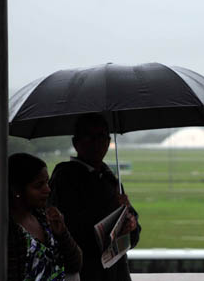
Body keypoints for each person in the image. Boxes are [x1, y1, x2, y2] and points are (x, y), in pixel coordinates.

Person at [49, 113, 141, 281]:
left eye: (101, 136)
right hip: (87, 272)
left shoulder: (110, 178)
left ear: (108, 140)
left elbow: (133, 239)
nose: (97, 143)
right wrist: (113, 211)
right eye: (89, 137)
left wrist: (131, 224)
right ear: (75, 142)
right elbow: (69, 231)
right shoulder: (65, 177)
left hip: (117, 273)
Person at [8, 153, 83, 281]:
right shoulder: (10, 231)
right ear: (17, 190)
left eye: (47, 182)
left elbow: (75, 264)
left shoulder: (44, 218)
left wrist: (63, 233)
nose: (47, 190)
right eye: (39, 185)